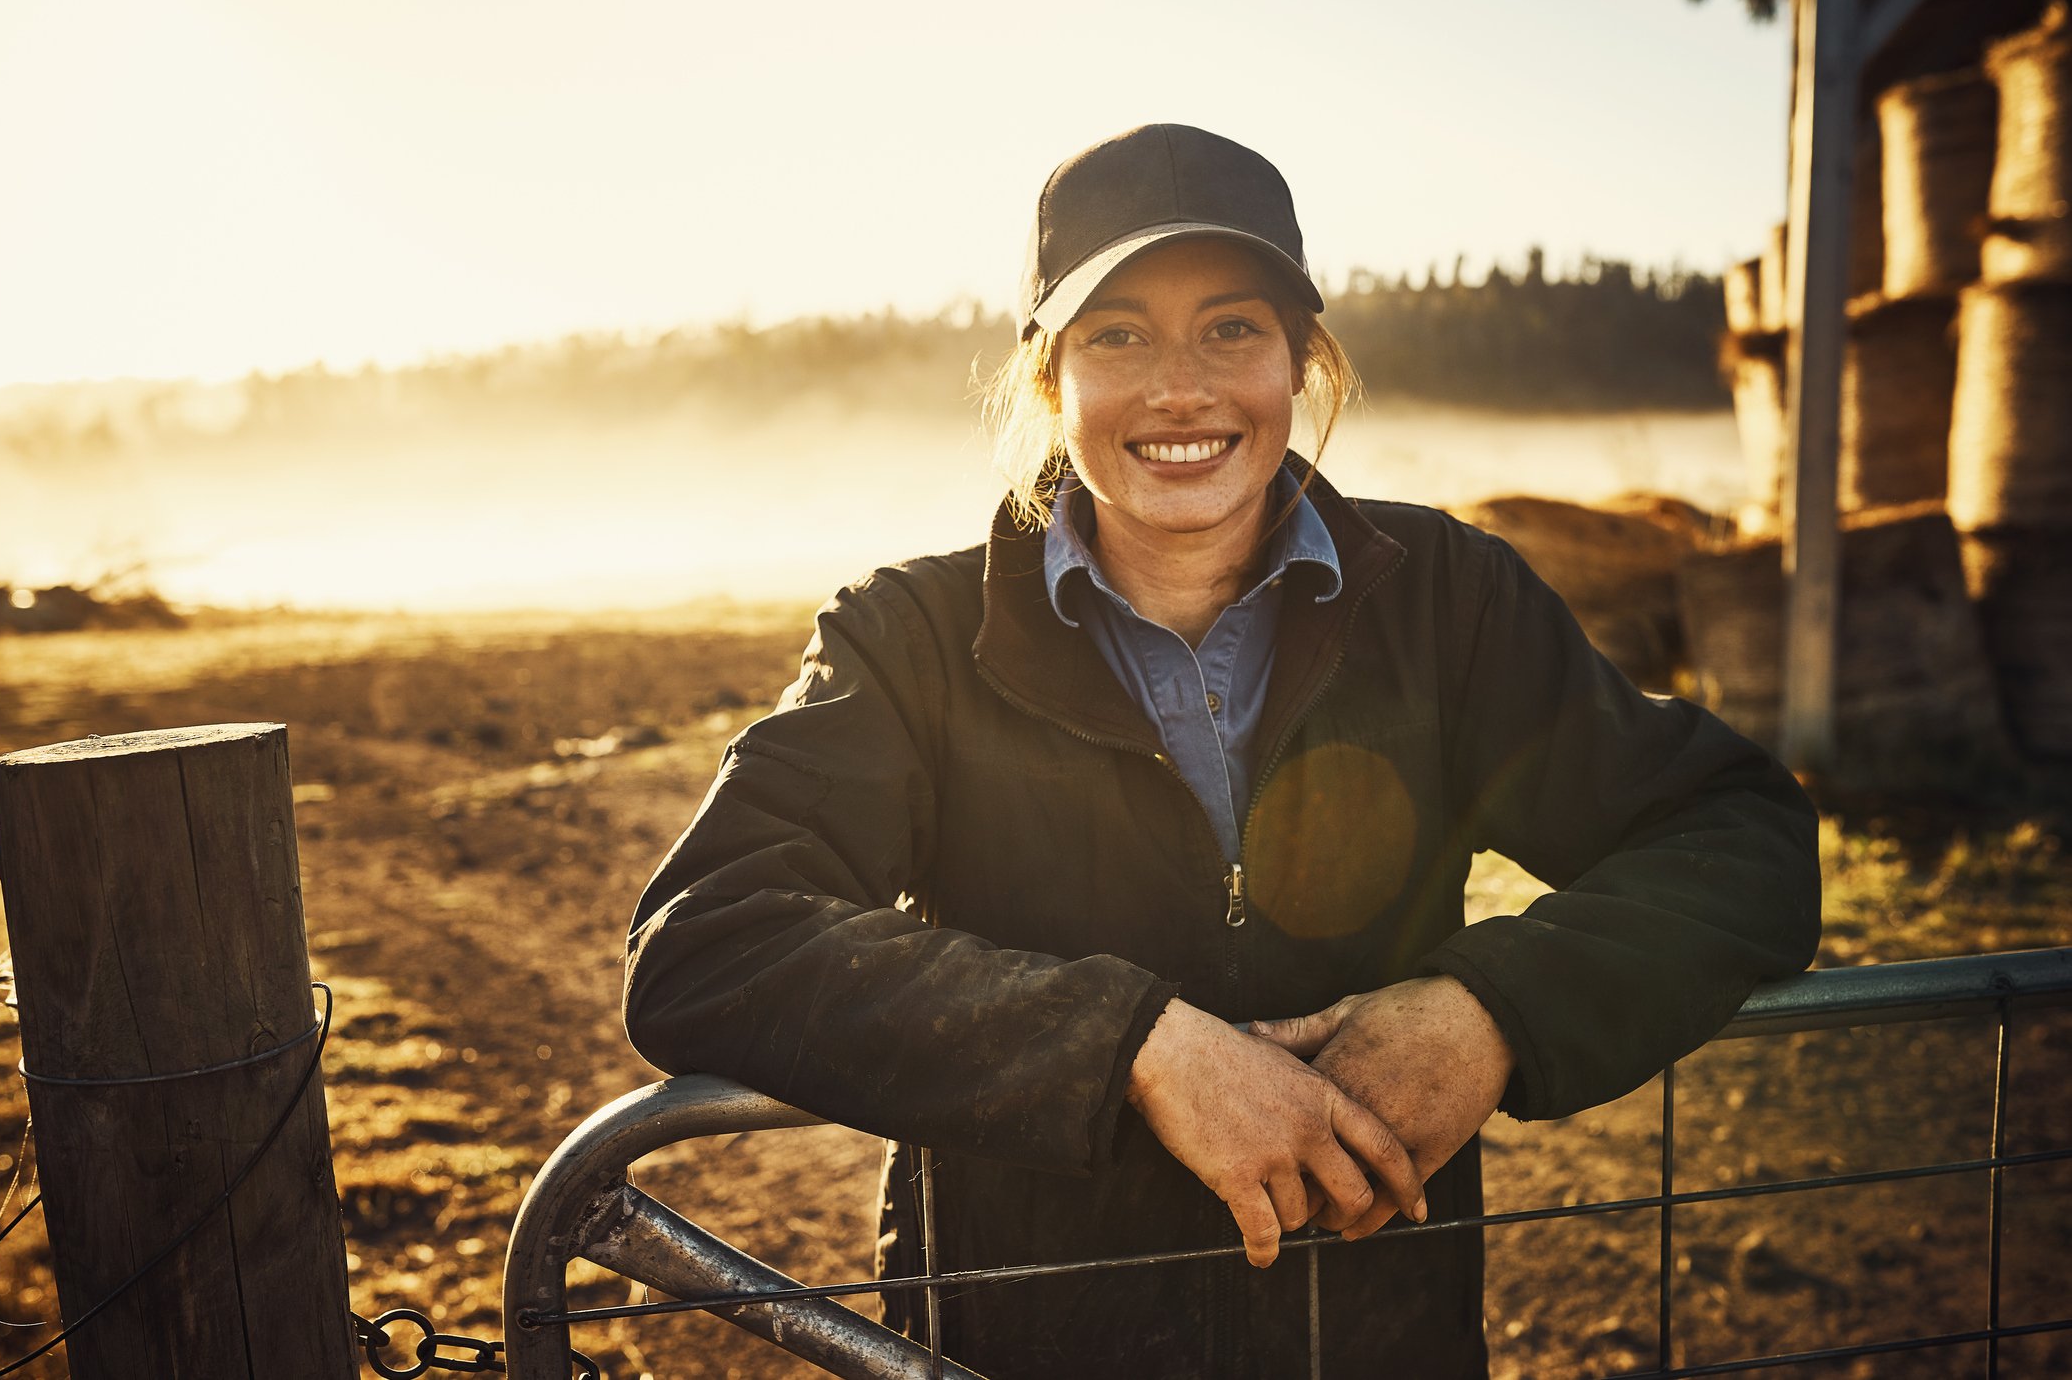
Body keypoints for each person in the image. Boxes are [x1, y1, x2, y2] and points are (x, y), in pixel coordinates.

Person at [623, 122, 1820, 1377]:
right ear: (1051, 375)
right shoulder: (912, 638)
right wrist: (1130, 1045)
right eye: (1118, 335)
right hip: (1022, 1350)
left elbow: (1735, 832)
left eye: (1232, 328)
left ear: (1302, 359)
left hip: (1370, 1345)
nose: (1178, 389)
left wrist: (1488, 1008)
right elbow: (712, 939)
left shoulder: (1444, 603)